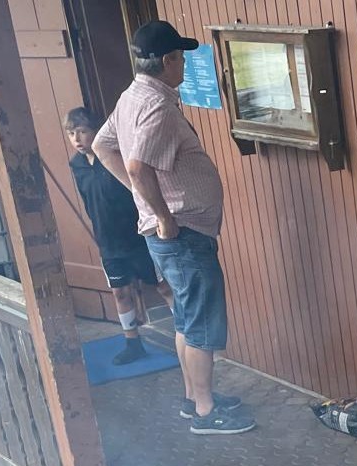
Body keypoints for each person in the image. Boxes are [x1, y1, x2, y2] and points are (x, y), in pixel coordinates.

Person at [93, 19, 253, 435]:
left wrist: (142, 198)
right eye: (180, 57)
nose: (183, 64)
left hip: (174, 233)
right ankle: (205, 411)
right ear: (167, 60)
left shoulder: (132, 96)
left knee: (186, 318)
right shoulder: (158, 106)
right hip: (181, 232)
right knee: (200, 323)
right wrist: (161, 213)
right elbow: (134, 164)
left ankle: (194, 399)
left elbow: (101, 145)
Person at [63, 107, 174, 366]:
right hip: (108, 241)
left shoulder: (114, 157)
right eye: (71, 133)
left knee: (162, 285)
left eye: (83, 132)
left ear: (96, 131)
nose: (77, 139)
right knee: (119, 292)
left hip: (136, 235)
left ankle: (185, 336)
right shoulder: (76, 165)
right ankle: (132, 342)